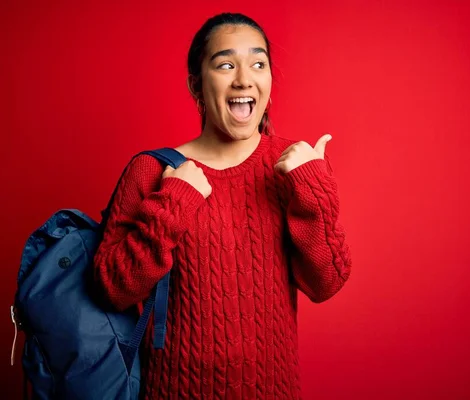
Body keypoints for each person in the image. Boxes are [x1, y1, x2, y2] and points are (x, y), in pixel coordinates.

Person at [94, 12, 352, 399]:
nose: (244, 79)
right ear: (196, 84)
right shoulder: (153, 171)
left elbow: (326, 282)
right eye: (226, 64)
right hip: (172, 391)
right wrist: (173, 204)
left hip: (273, 390)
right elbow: (111, 289)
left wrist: (314, 192)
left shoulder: (294, 166)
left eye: (258, 63)